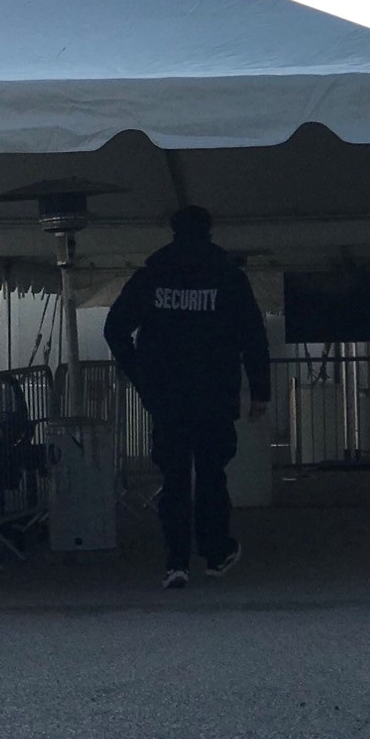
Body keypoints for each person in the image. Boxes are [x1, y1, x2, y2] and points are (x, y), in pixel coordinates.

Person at [103, 205, 270, 589]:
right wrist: (260, 391)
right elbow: (252, 336)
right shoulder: (228, 276)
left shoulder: (152, 276)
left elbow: (115, 329)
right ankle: (215, 552)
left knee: (175, 478)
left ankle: (175, 562)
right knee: (212, 475)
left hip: (167, 396)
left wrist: (142, 376)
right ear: (210, 231)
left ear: (172, 231)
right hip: (215, 393)